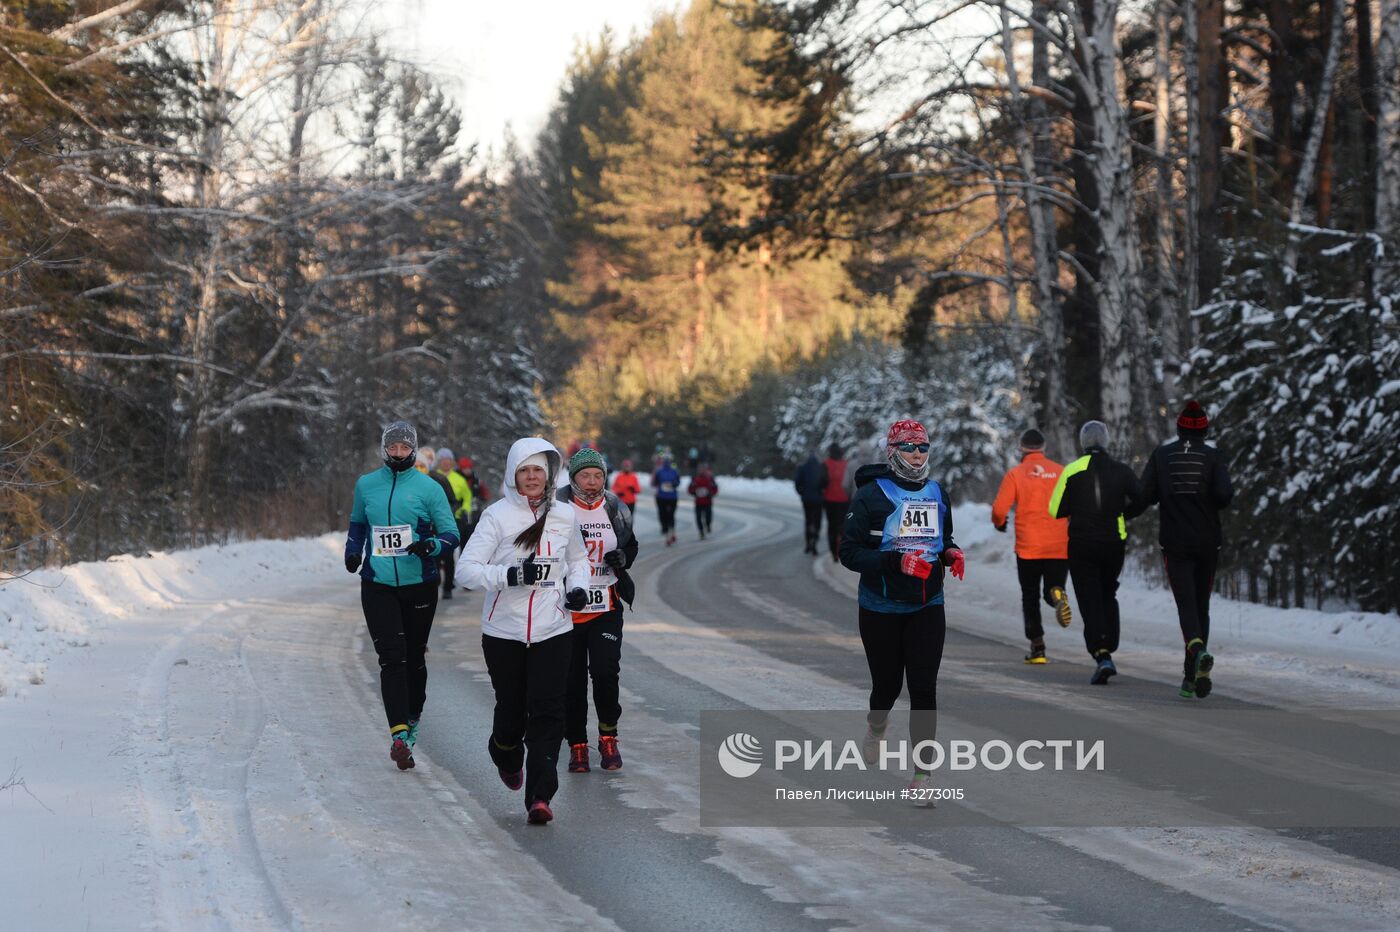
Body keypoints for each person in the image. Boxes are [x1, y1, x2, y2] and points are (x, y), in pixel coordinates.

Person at [456, 438, 591, 825]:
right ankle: (505, 752)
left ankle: (540, 797)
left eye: (539, 471)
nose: (532, 478)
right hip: (504, 633)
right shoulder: (497, 517)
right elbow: (466, 571)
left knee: (550, 712)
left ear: (550, 475)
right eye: (525, 471)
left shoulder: (565, 516)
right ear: (513, 475)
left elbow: (577, 560)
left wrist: (577, 588)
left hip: (554, 628)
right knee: (511, 714)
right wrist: (511, 575)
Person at [840, 419, 964, 806]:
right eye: (909, 447)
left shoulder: (937, 492)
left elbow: (943, 537)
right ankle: (876, 726)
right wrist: (896, 562)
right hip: (881, 606)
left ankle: (922, 777)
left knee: (924, 689)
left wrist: (951, 553)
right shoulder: (870, 496)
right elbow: (848, 552)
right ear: (892, 451)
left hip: (928, 604)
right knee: (887, 688)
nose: (917, 454)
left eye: (923, 447)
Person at [344, 421, 460, 770]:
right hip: (377, 584)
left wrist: (432, 545)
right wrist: (352, 552)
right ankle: (398, 735)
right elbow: (358, 525)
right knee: (391, 656)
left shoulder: (429, 487)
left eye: (404, 448)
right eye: (392, 447)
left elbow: (451, 534)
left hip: (419, 584)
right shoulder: (367, 485)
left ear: (414, 450)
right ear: (384, 449)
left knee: (413, 657)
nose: (398, 453)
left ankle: (412, 720)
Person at [1140, 400, 1234, 699]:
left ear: (1179, 428)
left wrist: (1119, 511)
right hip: (1208, 542)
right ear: (1205, 429)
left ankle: (1195, 650)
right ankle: (1191, 675)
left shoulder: (1162, 455)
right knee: (1201, 604)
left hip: (1175, 541)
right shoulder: (1214, 456)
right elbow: (1223, 495)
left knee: (1185, 603)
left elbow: (1145, 495)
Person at [558, 449, 639, 774]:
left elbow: (630, 544)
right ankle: (577, 745)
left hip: (606, 605)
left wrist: (622, 557)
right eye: (585, 475)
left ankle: (608, 736)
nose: (592, 482)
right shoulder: (558, 508)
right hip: (567, 610)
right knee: (571, 682)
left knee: (605, 673)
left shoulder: (615, 507)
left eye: (598, 476)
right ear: (573, 477)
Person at [1048, 421, 1147, 685]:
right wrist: (1124, 512)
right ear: (1105, 441)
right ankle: (1110, 643)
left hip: (1081, 543)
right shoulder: (1121, 470)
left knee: (1089, 597)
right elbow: (1142, 498)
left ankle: (1101, 653)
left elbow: (1055, 509)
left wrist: (1076, 507)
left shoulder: (1072, 470)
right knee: (1108, 592)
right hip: (1114, 542)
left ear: (1083, 443)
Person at [991, 429, 1073, 664]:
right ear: (1044, 448)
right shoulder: (1061, 472)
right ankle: (1057, 593)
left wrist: (1000, 523)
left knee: (1030, 595)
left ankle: (1037, 647)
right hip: (1059, 544)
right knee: (1052, 588)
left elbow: (999, 510)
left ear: (1021, 448)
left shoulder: (1015, 474)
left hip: (1028, 547)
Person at [434, 448, 472, 599]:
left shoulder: (459, 479)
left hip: (453, 518)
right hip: (434, 519)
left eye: (448, 460)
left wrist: (464, 509)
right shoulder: (432, 477)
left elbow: (467, 497)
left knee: (448, 553)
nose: (445, 462)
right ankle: (435, 581)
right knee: (435, 552)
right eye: (442, 460)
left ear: (452, 462)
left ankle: (448, 586)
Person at [821, 442, 851, 561]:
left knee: (831, 527)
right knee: (843, 526)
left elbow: (822, 482)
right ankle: (842, 549)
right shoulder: (846, 464)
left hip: (829, 500)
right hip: (844, 499)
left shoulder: (825, 464)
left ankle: (834, 552)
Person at [794, 451, 825, 555]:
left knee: (808, 521)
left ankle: (808, 544)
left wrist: (802, 493)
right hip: (818, 500)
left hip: (807, 499)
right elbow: (825, 482)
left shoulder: (802, 468)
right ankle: (814, 542)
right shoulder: (821, 468)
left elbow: (797, 483)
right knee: (817, 522)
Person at [652, 456, 681, 546]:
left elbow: (678, 482)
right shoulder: (660, 471)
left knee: (669, 515)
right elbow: (654, 482)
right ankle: (669, 531)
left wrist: (672, 484)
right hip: (663, 497)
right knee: (664, 515)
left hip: (669, 497)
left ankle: (670, 533)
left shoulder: (673, 471)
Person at [688, 465, 718, 539]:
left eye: (703, 470)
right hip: (698, 502)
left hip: (708, 502)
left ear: (706, 471)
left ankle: (708, 525)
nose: (702, 471)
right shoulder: (695, 479)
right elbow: (690, 489)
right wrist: (694, 492)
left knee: (708, 517)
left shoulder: (710, 479)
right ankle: (701, 531)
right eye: (700, 470)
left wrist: (711, 494)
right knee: (698, 518)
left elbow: (715, 488)